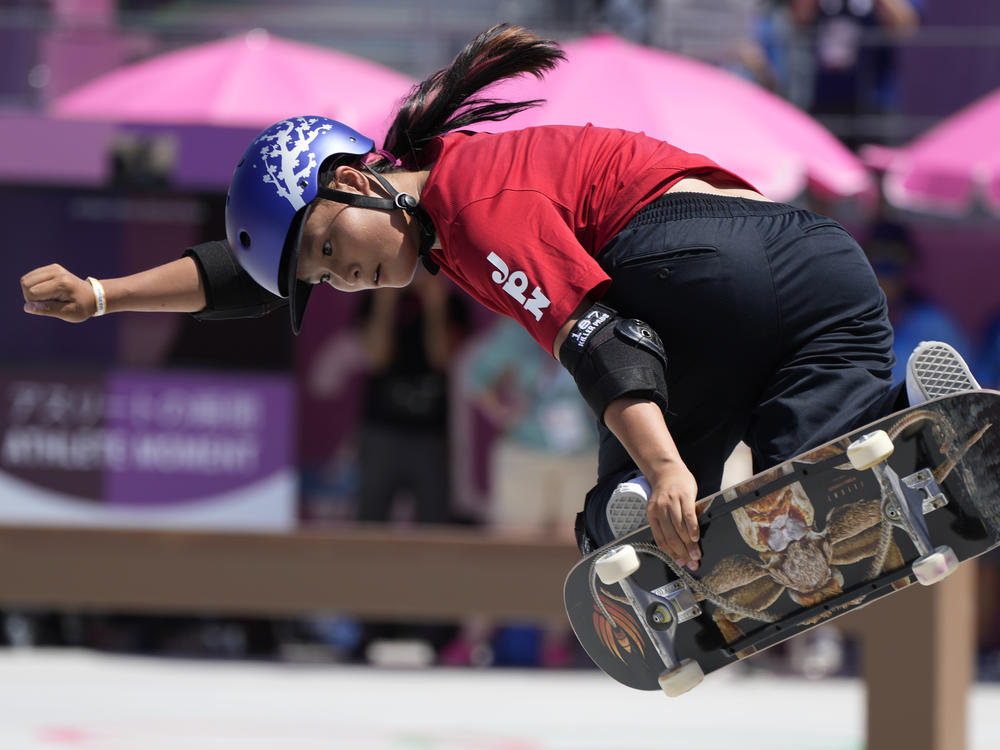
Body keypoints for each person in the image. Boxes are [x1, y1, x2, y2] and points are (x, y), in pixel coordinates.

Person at [20, 24, 976, 574]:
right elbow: (246, 275)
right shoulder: (454, 191)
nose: (339, 277)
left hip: (697, 268)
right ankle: (922, 425)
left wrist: (667, 467)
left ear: (355, 183)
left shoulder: (470, 203)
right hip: (825, 264)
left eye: (326, 249)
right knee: (820, 472)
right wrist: (103, 294)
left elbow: (600, 334)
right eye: (319, 278)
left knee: (618, 513)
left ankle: (637, 510)